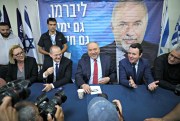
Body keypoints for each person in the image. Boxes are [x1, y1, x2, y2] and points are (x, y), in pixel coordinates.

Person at [100, 0, 159, 81]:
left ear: (146, 26)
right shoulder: (100, 53)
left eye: (137, 24)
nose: (130, 32)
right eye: (123, 24)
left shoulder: (156, 52)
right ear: (112, 27)